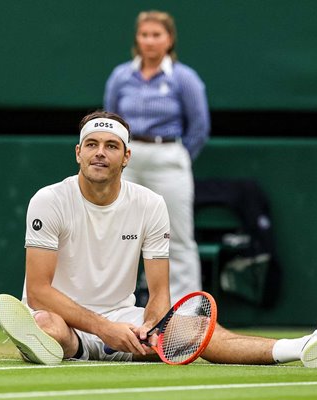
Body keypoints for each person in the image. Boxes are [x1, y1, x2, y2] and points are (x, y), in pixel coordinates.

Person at [0, 110, 317, 367]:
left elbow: (159, 293)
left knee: (195, 332)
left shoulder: (151, 204)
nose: (100, 154)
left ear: (126, 157)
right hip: (64, 318)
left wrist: (150, 323)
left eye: (111, 147)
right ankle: (46, 344)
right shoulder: (49, 200)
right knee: (45, 323)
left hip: (126, 322)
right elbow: (40, 290)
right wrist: (104, 329)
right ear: (78, 153)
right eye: (91, 145)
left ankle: (301, 348)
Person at [103, 10, 209, 303]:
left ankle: (187, 312)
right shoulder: (120, 76)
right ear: (137, 39)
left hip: (168, 158)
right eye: (144, 35)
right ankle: (113, 305)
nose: (150, 41)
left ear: (169, 39)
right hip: (128, 160)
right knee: (119, 232)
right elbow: (110, 119)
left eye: (156, 35)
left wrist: (177, 155)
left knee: (178, 236)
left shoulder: (184, 78)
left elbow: (199, 126)